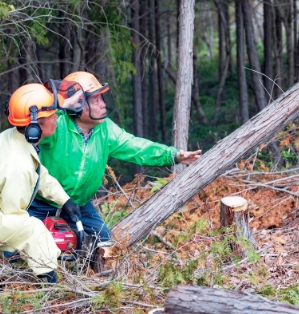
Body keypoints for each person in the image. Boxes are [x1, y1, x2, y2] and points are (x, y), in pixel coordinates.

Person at [28, 71, 202, 244]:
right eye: (95, 100)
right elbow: (30, 130)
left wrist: (172, 155)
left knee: (103, 242)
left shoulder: (106, 129)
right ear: (77, 106)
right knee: (20, 247)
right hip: (42, 201)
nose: (103, 104)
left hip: (79, 204)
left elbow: (136, 147)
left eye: (102, 98)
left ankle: (89, 270)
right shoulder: (56, 125)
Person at [0, 83, 82, 284]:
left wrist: (65, 201)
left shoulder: (15, 139)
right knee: (33, 227)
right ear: (35, 125)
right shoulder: (16, 162)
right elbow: (15, 216)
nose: (56, 118)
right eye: (53, 115)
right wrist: (47, 247)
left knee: (32, 229)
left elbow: (39, 174)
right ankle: (50, 284)